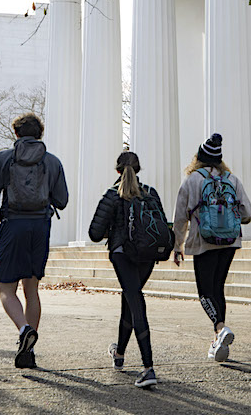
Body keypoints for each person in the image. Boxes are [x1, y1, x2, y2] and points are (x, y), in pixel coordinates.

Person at [0, 112, 69, 370]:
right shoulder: (52, 162)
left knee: (7, 289)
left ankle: (23, 329)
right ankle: (28, 352)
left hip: (13, 226)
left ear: (16, 134)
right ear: (39, 133)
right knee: (32, 290)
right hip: (40, 228)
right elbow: (62, 200)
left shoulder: (5, 159)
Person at [172, 132, 251, 362]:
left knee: (205, 292)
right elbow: (247, 213)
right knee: (218, 288)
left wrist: (177, 245)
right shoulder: (232, 179)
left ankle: (220, 329)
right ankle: (218, 341)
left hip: (203, 242)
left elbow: (180, 217)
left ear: (198, 157)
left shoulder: (191, 181)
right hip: (229, 242)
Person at [88, 151, 163, 388]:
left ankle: (148, 367)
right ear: (138, 169)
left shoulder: (112, 195)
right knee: (130, 299)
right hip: (148, 256)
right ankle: (119, 354)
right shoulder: (151, 193)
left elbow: (94, 233)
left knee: (135, 300)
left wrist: (114, 228)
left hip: (123, 254)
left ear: (117, 171)